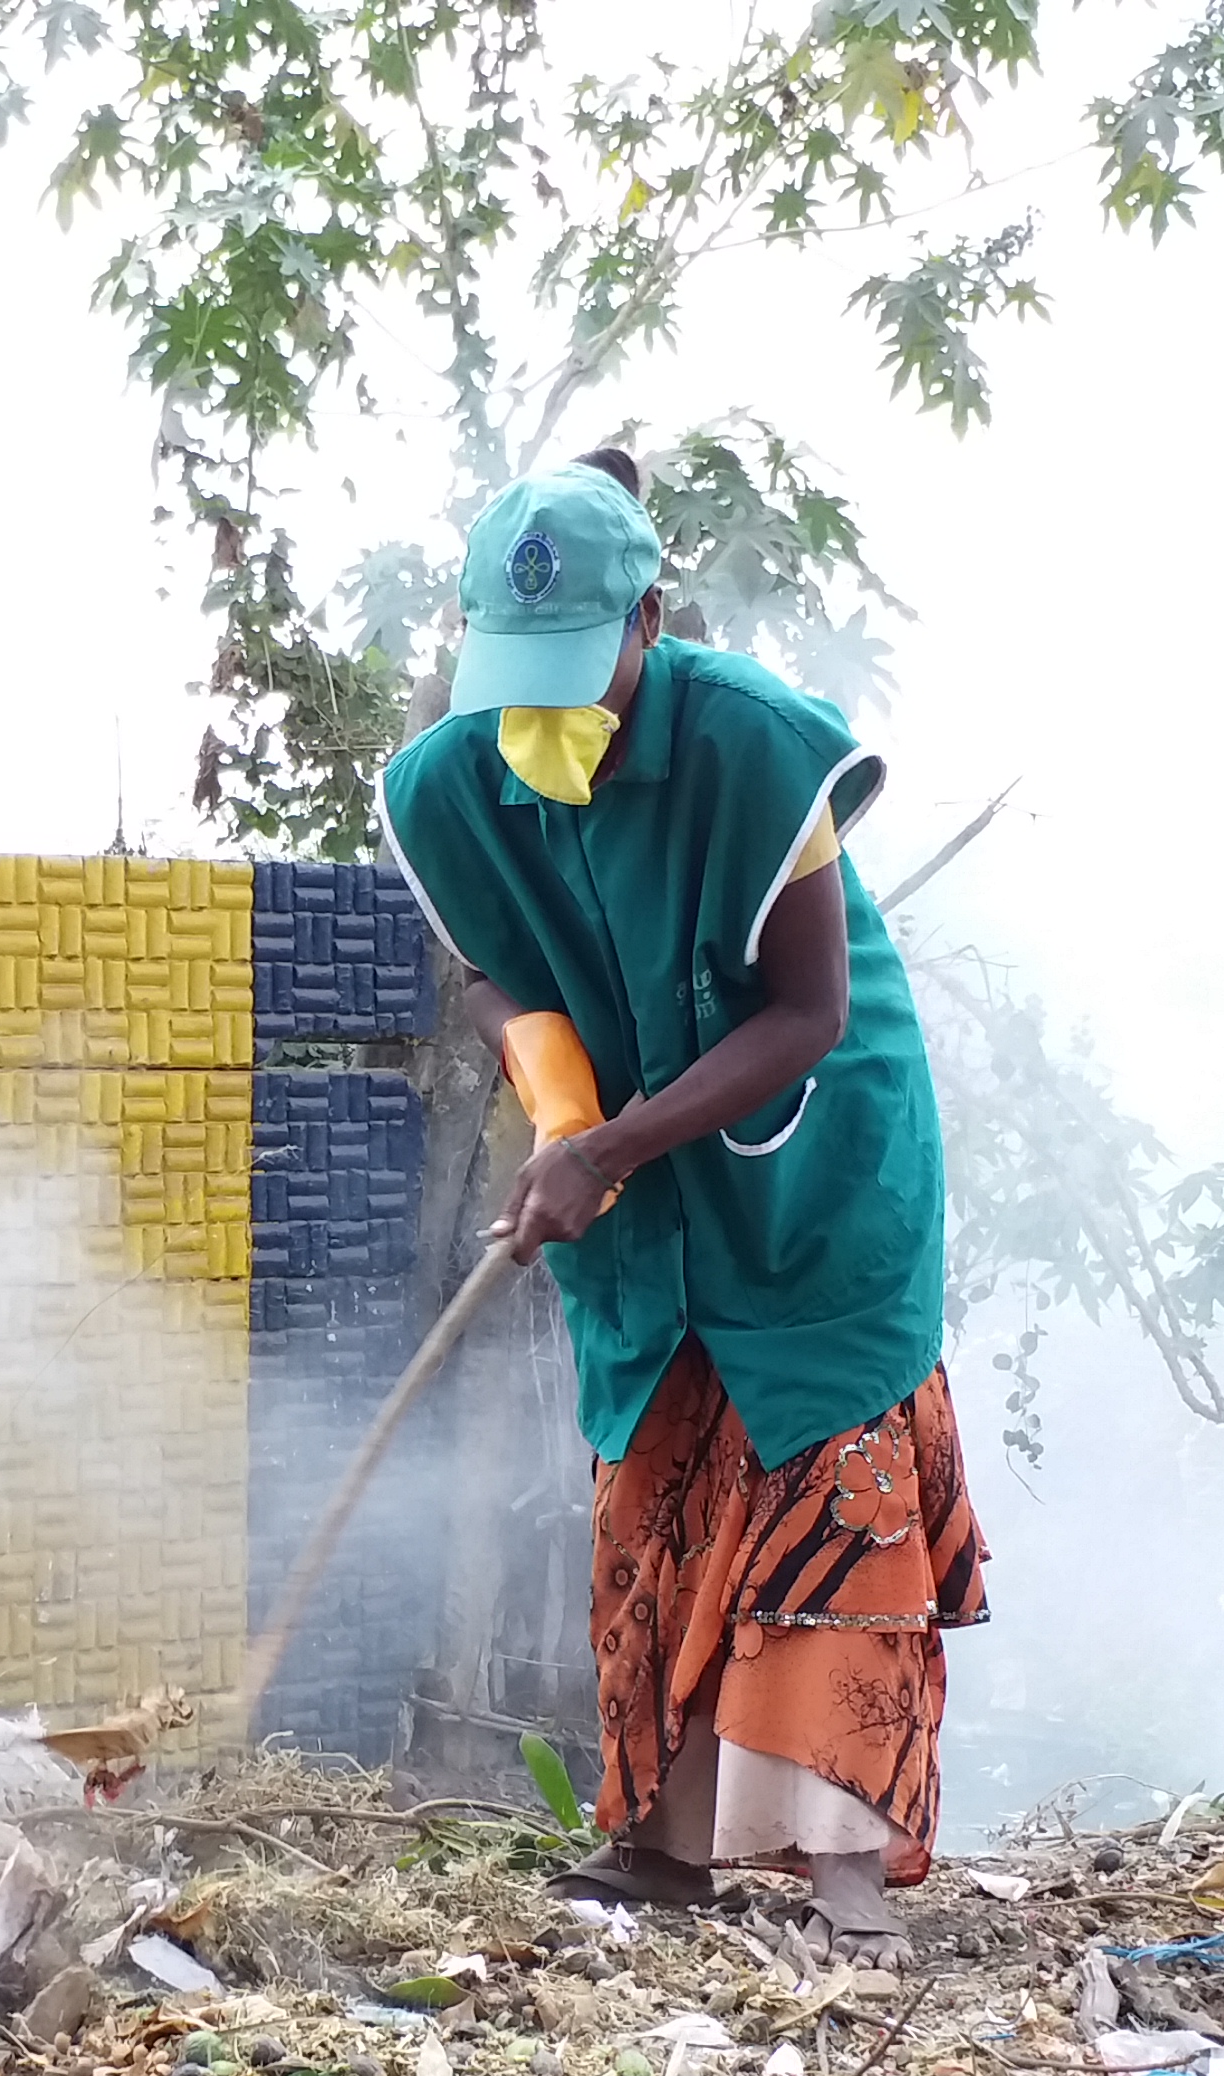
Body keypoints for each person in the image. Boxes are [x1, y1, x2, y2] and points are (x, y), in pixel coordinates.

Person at [373, 448, 989, 1968]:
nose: (548, 715)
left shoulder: (761, 750)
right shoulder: (450, 774)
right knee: (658, 1478)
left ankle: (845, 1875)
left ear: (651, 618)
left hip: (812, 1165)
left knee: (830, 1489)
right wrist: (563, 1104)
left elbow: (806, 1010)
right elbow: (488, 973)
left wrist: (615, 1145)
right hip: (637, 1169)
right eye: (516, 679)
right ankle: (658, 1846)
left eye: (580, 673)